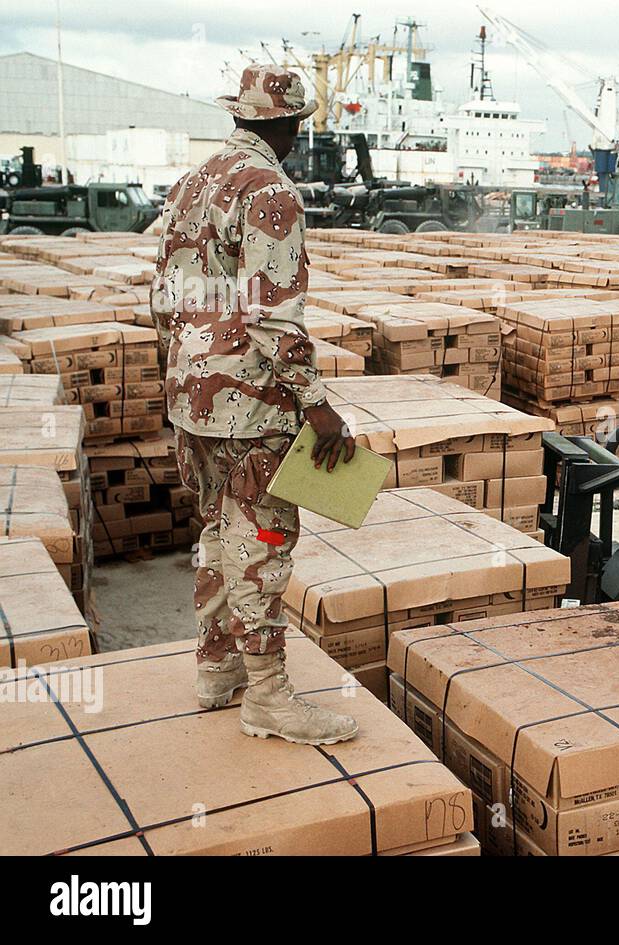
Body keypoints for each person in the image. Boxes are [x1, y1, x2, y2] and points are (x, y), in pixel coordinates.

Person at [151, 66, 359, 746]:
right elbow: (273, 316)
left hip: (193, 400)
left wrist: (181, 379)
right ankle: (268, 695)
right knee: (264, 541)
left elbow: (163, 301)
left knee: (216, 531)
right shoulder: (270, 189)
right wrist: (317, 405)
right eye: (298, 125)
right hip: (250, 406)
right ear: (289, 126)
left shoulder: (192, 182)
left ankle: (218, 668)